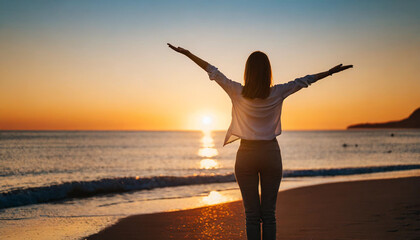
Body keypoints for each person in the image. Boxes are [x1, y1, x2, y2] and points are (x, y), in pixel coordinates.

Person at [168, 43, 353, 240]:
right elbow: (305, 80)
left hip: (246, 154)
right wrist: (330, 72)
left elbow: (212, 71)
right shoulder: (278, 92)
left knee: (252, 216)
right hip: (270, 154)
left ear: (247, 72)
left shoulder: (236, 91)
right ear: (268, 72)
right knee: (269, 215)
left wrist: (188, 53)